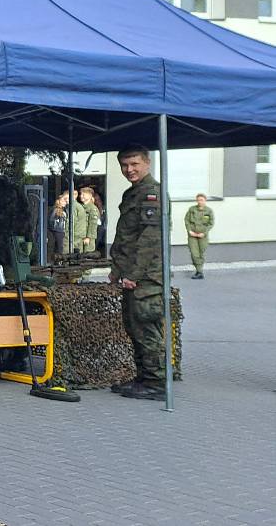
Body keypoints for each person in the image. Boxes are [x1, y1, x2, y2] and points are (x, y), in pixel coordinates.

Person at [109, 145, 168, 401]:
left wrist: (133, 274)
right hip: (133, 275)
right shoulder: (133, 193)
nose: (129, 169)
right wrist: (117, 269)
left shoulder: (152, 194)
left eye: (134, 164)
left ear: (147, 163)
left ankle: (156, 382)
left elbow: (150, 240)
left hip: (146, 278)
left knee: (147, 329)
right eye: (124, 165)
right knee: (135, 328)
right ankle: (144, 378)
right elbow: (126, 237)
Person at [184, 193, 214, 279]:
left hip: (202, 236)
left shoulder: (209, 211)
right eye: (198, 200)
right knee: (194, 253)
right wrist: (189, 231)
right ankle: (199, 271)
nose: (200, 202)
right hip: (192, 235)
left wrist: (204, 233)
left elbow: (211, 223)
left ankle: (199, 271)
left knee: (201, 253)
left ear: (205, 200)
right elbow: (186, 220)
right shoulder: (192, 209)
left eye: (201, 200)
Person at [74, 187, 100, 255]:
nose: (81, 196)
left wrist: (89, 237)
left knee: (87, 255)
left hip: (87, 237)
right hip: (80, 235)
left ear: (90, 195)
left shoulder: (92, 208)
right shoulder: (81, 207)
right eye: (81, 194)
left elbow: (93, 224)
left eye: (83, 194)